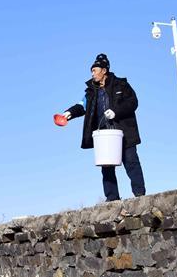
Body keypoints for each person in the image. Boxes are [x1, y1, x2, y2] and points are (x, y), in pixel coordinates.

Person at [55, 53, 146, 201]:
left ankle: (140, 195)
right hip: (103, 134)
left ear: (104, 70)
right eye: (92, 71)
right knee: (106, 166)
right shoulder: (91, 91)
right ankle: (112, 198)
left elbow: (133, 102)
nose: (92, 73)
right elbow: (81, 105)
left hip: (124, 131)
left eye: (94, 70)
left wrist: (116, 112)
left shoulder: (121, 84)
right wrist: (68, 113)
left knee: (131, 161)